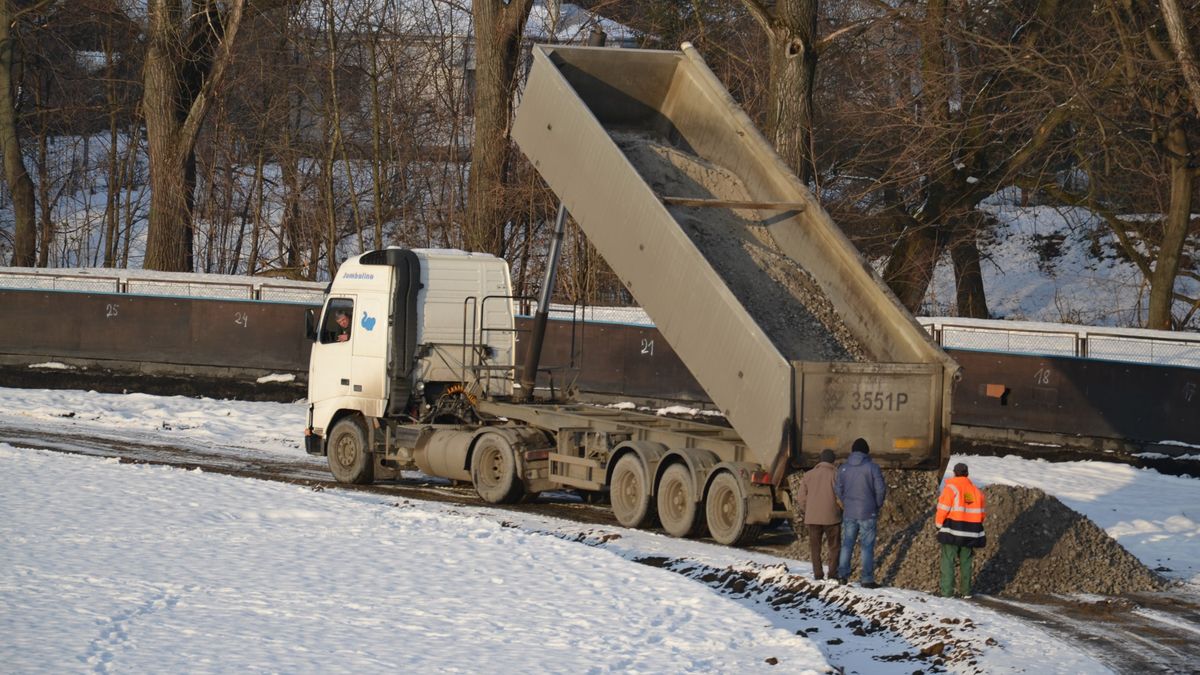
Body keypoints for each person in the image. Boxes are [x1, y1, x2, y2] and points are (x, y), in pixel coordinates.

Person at [834, 437, 887, 588]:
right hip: (868, 512)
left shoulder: (844, 468)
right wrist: (877, 504)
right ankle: (867, 579)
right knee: (867, 546)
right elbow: (881, 489)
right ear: (866, 451)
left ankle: (842, 575)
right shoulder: (872, 467)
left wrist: (846, 502)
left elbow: (838, 488)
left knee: (847, 544)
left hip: (849, 511)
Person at [936, 462, 987, 598]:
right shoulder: (977, 492)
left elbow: (943, 509)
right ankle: (966, 592)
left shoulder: (951, 489)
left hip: (953, 530)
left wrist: (939, 525)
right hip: (971, 533)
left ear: (954, 473)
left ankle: (947, 593)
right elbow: (982, 515)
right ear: (967, 474)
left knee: (948, 561)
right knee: (966, 562)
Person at [794, 448, 842, 581]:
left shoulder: (808, 475)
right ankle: (832, 574)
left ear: (820, 460)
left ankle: (818, 574)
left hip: (813, 517)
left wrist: (808, 509)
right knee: (834, 547)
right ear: (833, 460)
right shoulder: (836, 475)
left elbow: (801, 497)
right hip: (832, 517)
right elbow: (841, 496)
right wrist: (840, 510)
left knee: (815, 547)